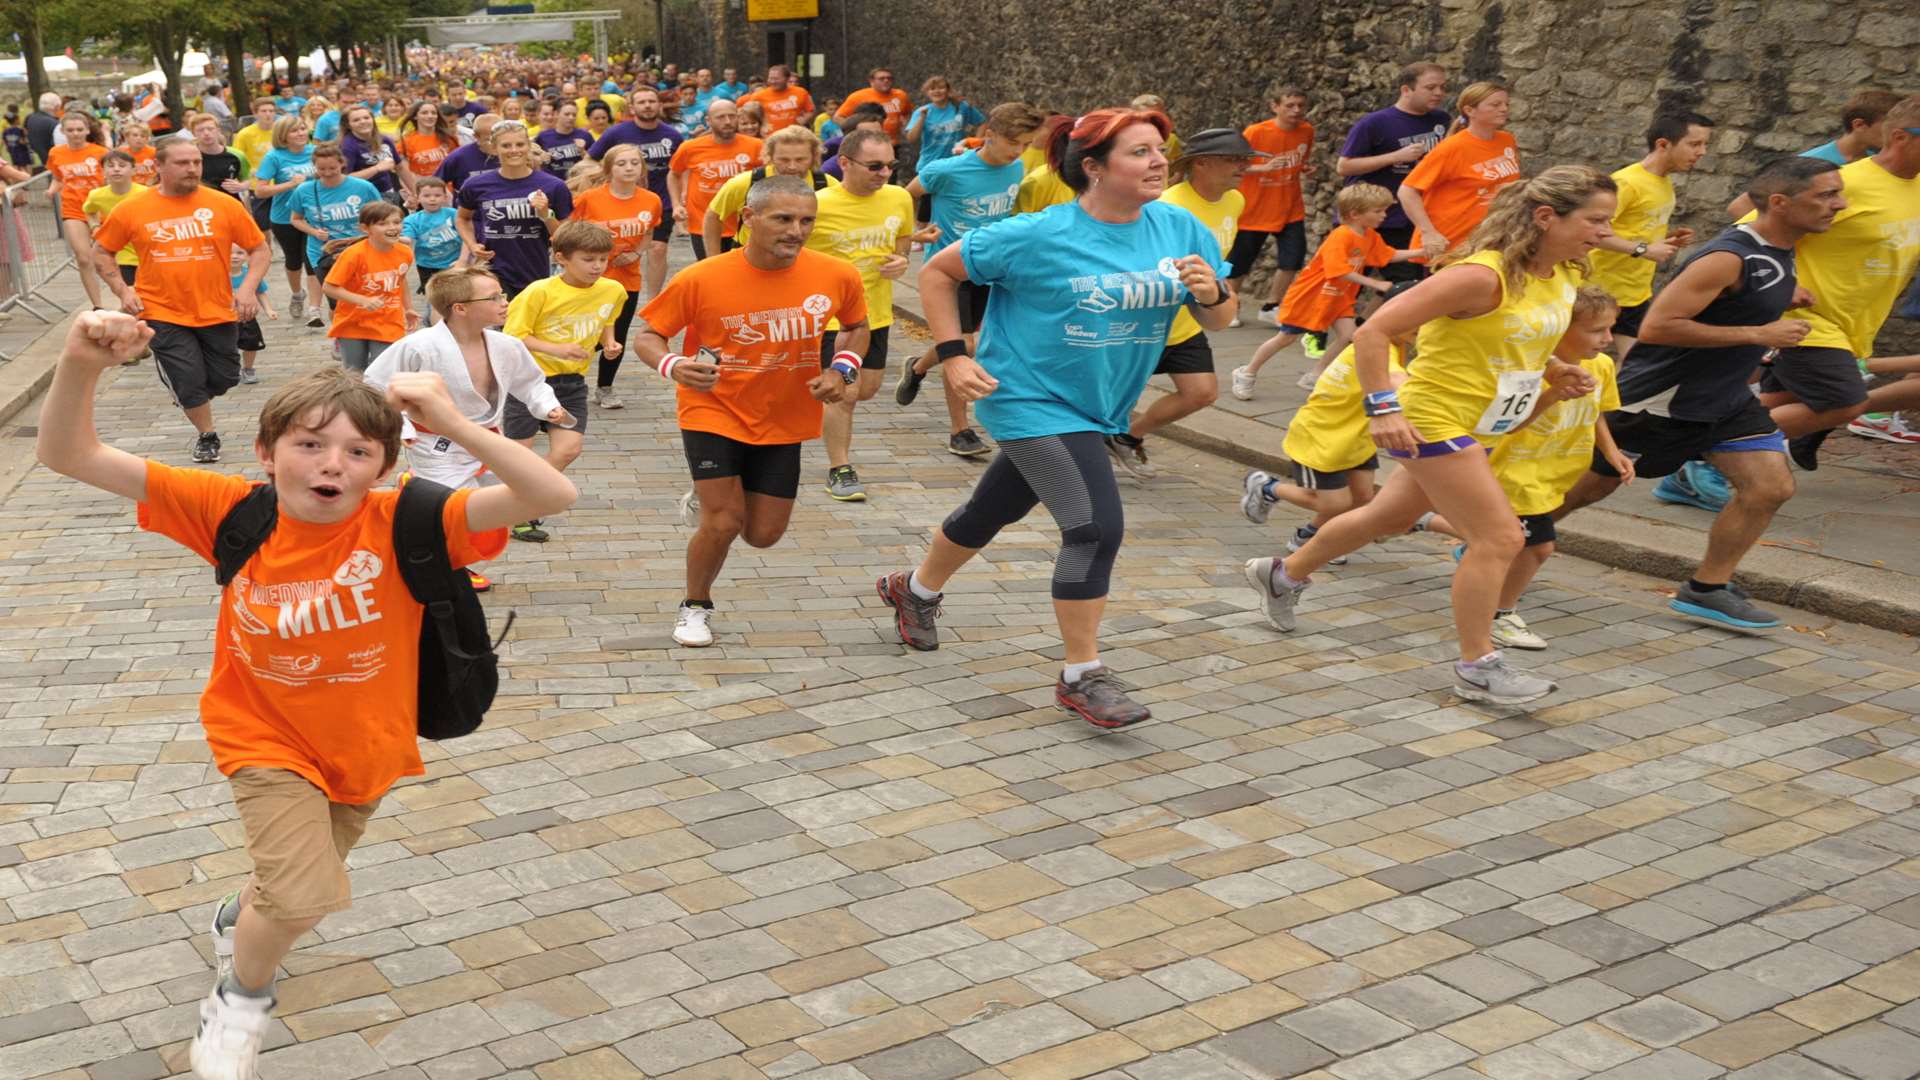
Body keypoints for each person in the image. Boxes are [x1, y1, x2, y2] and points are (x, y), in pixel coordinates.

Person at [35, 308, 575, 1080]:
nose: (334, 464)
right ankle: (240, 1000)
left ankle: (234, 917)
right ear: (267, 454)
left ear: (386, 465)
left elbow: (550, 494)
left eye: (359, 451)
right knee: (301, 898)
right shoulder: (229, 509)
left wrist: (455, 420)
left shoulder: (411, 519)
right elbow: (68, 453)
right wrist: (79, 359)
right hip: (259, 734)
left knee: (285, 892)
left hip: (367, 744)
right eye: (310, 445)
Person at [879, 107, 1232, 730]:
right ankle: (1082, 676)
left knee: (992, 510)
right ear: (1092, 167)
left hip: (1098, 403)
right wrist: (955, 359)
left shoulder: (1181, 227)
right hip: (1027, 396)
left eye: (1159, 151)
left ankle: (915, 589)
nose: (1157, 162)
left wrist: (1211, 294)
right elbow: (936, 272)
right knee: (1095, 528)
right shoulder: (1037, 234)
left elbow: (1220, 321)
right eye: (1140, 152)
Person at [1245, 165, 1617, 707]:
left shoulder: (1561, 274)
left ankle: (1282, 574)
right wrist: (1381, 407)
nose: (1604, 232)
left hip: (1482, 421)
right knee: (1502, 538)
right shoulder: (1481, 276)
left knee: (1387, 517)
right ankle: (1478, 665)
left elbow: (1523, 337)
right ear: (1545, 217)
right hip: (1431, 417)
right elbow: (1377, 330)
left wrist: (1555, 368)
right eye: (1595, 220)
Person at [1554, 156, 1843, 630]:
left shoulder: (1780, 250)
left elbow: (1734, 301)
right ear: (1780, 203)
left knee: (1771, 487)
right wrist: (1758, 333)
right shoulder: (1728, 257)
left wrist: (1777, 299)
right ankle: (1511, 536)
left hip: (1725, 399)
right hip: (1665, 401)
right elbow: (1659, 325)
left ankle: (1706, 589)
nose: (1840, 204)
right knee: (1591, 485)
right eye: (1826, 195)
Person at [633, 175, 866, 647]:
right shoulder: (702, 277)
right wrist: (673, 364)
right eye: (783, 219)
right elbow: (648, 335)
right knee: (723, 522)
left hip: (784, 414)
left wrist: (842, 369)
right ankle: (695, 605)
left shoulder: (837, 274)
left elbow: (858, 327)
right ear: (749, 219)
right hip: (712, 409)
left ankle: (717, 499)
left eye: (806, 221)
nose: (796, 231)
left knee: (763, 535)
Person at [1416, 287, 1629, 650]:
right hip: (1513, 473)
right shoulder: (1528, 368)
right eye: (1597, 330)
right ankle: (1500, 614)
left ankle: (1421, 520)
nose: (1607, 339)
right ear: (1560, 328)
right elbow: (1508, 424)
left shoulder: (1602, 366)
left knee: (1507, 540)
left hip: (1553, 472)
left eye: (1611, 328)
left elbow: (1596, 413)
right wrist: (1552, 394)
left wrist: (1611, 452)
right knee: (1538, 547)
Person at [366, 266, 574, 591]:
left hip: (486, 436)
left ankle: (415, 488)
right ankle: (454, 564)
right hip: (433, 442)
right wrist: (401, 425)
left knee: (495, 501)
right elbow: (379, 386)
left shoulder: (507, 346)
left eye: (502, 294)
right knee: (449, 508)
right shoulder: (419, 346)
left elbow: (530, 382)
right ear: (460, 308)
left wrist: (545, 406)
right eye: (493, 297)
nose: (504, 302)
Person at [1758, 96, 1920, 471]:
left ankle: (1682, 455)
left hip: (1855, 328)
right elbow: (1753, 228)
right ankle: (1707, 448)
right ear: (1900, 137)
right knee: (1841, 404)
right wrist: (1779, 285)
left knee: (1778, 404)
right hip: (1809, 320)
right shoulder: (1842, 182)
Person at [91, 135, 271, 464]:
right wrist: (123, 289)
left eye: (196, 163)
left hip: (217, 308)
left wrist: (246, 289)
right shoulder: (133, 208)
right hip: (161, 310)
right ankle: (206, 433)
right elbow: (102, 251)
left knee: (226, 376)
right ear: (158, 166)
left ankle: (192, 393)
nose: (192, 169)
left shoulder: (223, 204)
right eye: (182, 163)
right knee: (188, 379)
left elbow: (259, 249)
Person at [894, 102, 1050, 458]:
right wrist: (914, 234)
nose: (1019, 151)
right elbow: (903, 195)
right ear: (989, 135)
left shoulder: (1016, 169)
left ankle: (917, 367)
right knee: (963, 345)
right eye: (1014, 142)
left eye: (1026, 144)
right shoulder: (946, 170)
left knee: (975, 343)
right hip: (950, 272)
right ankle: (959, 430)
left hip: (992, 269)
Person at [1106, 128, 1256, 478]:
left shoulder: (1236, 201)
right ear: (1201, 163)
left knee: (1201, 393)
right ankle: (1080, 457)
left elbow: (1218, 262)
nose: (1244, 166)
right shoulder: (1165, 205)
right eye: (1234, 159)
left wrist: (1218, 296)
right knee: (1111, 398)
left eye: (1246, 159)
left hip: (1189, 321)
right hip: (1144, 322)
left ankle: (1128, 437)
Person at [1239, 329, 1413, 569]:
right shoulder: (1377, 348)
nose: (1423, 328)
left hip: (1355, 436)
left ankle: (1310, 536)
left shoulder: (1389, 344)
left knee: (1362, 496)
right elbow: (1397, 382)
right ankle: (1267, 487)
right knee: (1334, 504)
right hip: (1323, 436)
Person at [807, 127, 916, 501]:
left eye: (890, 165)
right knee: (844, 395)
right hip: (832, 319)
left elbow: (903, 241)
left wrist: (902, 260)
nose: (884, 173)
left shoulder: (899, 198)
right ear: (844, 163)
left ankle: (809, 389)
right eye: (874, 166)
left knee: (865, 391)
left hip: (877, 314)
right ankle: (840, 469)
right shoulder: (817, 204)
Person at [498, 219, 621, 543]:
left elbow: (608, 318)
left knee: (568, 449)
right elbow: (512, 337)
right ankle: (509, 509)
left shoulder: (614, 290)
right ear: (561, 257)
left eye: (602, 259)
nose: (597, 267)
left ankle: (523, 504)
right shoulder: (539, 292)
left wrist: (609, 343)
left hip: (571, 382)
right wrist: (557, 348)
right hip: (527, 381)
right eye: (588, 259)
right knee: (517, 454)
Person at [1232, 183, 1415, 398]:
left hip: (1338, 298)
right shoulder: (1341, 236)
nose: (1384, 215)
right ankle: (1247, 372)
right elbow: (1338, 271)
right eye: (1378, 211)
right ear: (1355, 214)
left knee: (1349, 336)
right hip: (1310, 297)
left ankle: (1316, 375)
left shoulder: (1369, 236)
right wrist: (1375, 284)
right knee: (1286, 338)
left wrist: (1423, 251)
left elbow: (1388, 255)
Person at [1588, 112, 1712, 356]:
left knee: (1633, 364)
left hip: (1634, 292)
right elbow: (1594, 231)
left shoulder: (1663, 182)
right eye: (1695, 144)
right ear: (1663, 144)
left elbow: (1633, 230)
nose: (1702, 152)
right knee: (1581, 359)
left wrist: (1665, 241)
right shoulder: (1626, 182)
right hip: (1598, 290)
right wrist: (1644, 250)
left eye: (1705, 144)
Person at [1337, 62, 1451, 282]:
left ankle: (1366, 319)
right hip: (1368, 215)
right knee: (1345, 284)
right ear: (1406, 90)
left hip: (1408, 217)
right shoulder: (1375, 123)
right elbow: (1344, 166)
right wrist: (1395, 157)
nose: (1439, 93)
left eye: (1442, 87)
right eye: (1430, 87)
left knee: (1407, 284)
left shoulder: (1442, 120)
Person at [571, 144, 663, 409]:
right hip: (589, 279)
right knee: (586, 332)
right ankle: (563, 376)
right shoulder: (589, 199)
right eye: (622, 163)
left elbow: (648, 233)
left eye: (635, 163)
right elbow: (568, 231)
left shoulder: (651, 200)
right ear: (609, 169)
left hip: (626, 278)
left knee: (617, 336)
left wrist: (636, 253)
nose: (629, 168)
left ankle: (604, 388)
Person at [1728, 89, 1903, 218]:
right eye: (1888, 127)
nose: (1895, 133)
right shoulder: (1813, 161)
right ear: (1859, 125)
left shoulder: (1878, 159)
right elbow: (1739, 207)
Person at [1399, 80, 1521, 263]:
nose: (1504, 109)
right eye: (1495, 105)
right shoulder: (1452, 147)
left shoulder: (1507, 140)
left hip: (1490, 240)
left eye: (1506, 104)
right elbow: (1407, 191)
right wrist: (1428, 232)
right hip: (1451, 243)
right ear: (1470, 110)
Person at [455, 120, 573, 298]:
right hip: (492, 270)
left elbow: (565, 237)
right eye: (506, 145)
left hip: (535, 270)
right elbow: (463, 218)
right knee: (500, 322)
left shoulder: (553, 186)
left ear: (528, 146)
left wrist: (546, 215)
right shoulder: (476, 185)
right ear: (494, 149)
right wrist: (472, 245)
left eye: (519, 144)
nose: (514, 150)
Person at [587, 86, 684, 295]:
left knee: (658, 249)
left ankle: (653, 300)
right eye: (641, 102)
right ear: (632, 107)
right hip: (620, 200)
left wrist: (680, 199)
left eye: (651, 101)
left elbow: (681, 168)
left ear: (659, 105)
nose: (647, 106)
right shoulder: (616, 133)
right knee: (621, 251)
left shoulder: (673, 136)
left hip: (659, 200)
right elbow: (590, 158)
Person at [1232, 86, 1316, 326]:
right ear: (1275, 106)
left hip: (1290, 207)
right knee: (1240, 263)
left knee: (1293, 259)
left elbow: (1299, 160)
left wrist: (1304, 168)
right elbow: (1235, 166)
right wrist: (1264, 168)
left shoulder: (1306, 131)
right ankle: (1230, 306)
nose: (1296, 110)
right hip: (1254, 209)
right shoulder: (1256, 132)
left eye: (1301, 105)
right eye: (1290, 105)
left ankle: (1271, 305)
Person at [703, 124, 834, 256]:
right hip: (751, 261)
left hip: (807, 261)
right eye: (783, 160)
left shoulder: (827, 184)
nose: (792, 166)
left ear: (814, 156)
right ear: (770, 156)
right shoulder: (745, 182)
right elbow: (713, 216)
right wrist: (712, 258)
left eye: (801, 160)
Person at [289, 144, 382, 329]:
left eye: (332, 168)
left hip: (360, 249)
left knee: (365, 294)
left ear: (342, 163)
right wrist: (314, 231)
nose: (327, 173)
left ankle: (368, 330)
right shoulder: (304, 190)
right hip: (324, 253)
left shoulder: (363, 187)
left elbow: (381, 215)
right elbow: (296, 219)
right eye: (321, 169)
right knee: (337, 300)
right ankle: (341, 334)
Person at [323, 202, 419, 371]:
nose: (392, 227)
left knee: (383, 371)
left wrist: (409, 308)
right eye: (382, 224)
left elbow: (400, 280)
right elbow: (329, 287)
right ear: (366, 228)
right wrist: (363, 300)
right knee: (355, 373)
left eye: (396, 222)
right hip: (353, 322)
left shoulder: (405, 252)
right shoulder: (354, 254)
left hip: (389, 321)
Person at [668, 100, 762, 261]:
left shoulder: (757, 146)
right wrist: (676, 204)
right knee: (710, 273)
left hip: (744, 225)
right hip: (702, 224)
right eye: (721, 117)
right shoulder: (690, 148)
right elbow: (674, 173)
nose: (727, 121)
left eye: (732, 116)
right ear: (708, 121)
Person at [252, 115, 318, 318]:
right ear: (283, 135)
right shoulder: (274, 157)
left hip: (312, 216)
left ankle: (314, 309)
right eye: (294, 130)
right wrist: (290, 184)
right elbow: (259, 191)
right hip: (284, 217)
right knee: (293, 260)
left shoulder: (315, 152)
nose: (300, 133)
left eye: (301, 129)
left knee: (311, 259)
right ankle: (297, 294)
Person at [47, 112, 110, 310]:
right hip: (73, 208)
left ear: (87, 130)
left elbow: (110, 177)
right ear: (63, 131)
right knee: (83, 258)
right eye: (71, 130)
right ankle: (98, 305)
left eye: (79, 130)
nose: (75, 134)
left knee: (108, 258)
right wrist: (51, 190)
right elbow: (58, 177)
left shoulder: (100, 152)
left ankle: (123, 295)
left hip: (100, 208)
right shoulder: (56, 153)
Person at [82, 150, 147, 294]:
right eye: (110, 166)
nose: (116, 169)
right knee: (131, 295)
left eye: (122, 165)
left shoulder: (146, 193)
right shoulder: (96, 195)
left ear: (133, 170)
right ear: (103, 171)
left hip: (147, 252)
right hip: (122, 254)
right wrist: (95, 227)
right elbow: (89, 210)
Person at [905, 76, 985, 175]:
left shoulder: (961, 107)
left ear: (948, 90)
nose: (937, 91)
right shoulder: (921, 111)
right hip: (930, 164)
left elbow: (982, 123)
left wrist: (975, 143)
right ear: (927, 92)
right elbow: (911, 138)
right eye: (932, 89)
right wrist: (922, 118)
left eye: (941, 88)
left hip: (957, 163)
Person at [339, 105, 403, 207]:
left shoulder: (384, 140)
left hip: (389, 192)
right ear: (348, 125)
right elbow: (344, 178)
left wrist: (414, 192)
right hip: (363, 197)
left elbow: (400, 167)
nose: (363, 122)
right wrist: (376, 168)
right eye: (356, 120)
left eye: (366, 118)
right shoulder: (347, 146)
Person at [398, 101, 460, 201]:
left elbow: (458, 166)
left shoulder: (449, 139)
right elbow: (404, 174)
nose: (430, 116)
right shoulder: (406, 142)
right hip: (423, 194)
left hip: (448, 193)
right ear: (415, 116)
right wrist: (415, 195)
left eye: (433, 113)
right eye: (424, 113)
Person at [836, 68, 912, 143]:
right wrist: (855, 132)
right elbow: (838, 117)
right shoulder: (858, 96)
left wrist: (905, 128)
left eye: (889, 78)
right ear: (871, 81)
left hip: (892, 143)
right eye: (881, 79)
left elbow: (907, 113)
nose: (886, 81)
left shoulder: (901, 95)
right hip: (868, 143)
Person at [189, 112, 250, 201]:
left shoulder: (236, 155)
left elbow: (247, 179)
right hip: (201, 205)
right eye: (200, 130)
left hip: (230, 203)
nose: (206, 133)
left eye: (210, 129)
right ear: (193, 133)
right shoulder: (189, 156)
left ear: (218, 130)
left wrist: (241, 186)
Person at [435, 113, 500, 192]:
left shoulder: (512, 153)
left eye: (498, 138)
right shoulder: (459, 157)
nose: (495, 144)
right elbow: (435, 183)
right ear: (476, 136)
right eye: (488, 140)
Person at [534, 99, 591, 181]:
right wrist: (542, 157)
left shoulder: (584, 135)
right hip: (552, 182)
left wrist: (582, 151)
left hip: (578, 183)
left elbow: (594, 163)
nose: (571, 118)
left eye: (574, 115)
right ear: (556, 114)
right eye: (567, 114)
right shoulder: (543, 136)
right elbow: (532, 161)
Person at [26, 91, 61, 168]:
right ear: (57, 107)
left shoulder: (32, 118)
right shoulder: (53, 123)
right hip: (54, 161)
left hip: (42, 157)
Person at [120, 121, 159, 186]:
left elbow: (161, 171)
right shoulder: (120, 153)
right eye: (135, 135)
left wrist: (153, 181)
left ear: (147, 139)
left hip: (148, 187)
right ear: (126, 137)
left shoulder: (155, 152)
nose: (139, 138)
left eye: (143, 136)